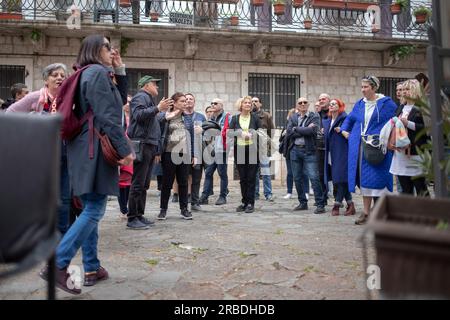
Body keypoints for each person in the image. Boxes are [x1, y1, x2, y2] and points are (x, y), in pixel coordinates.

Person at [41, 35, 134, 294]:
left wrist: (119, 69)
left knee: (89, 208)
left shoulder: (89, 73)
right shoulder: (96, 74)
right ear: (96, 50)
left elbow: (117, 101)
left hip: (82, 150)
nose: (111, 50)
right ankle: (57, 264)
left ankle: (92, 266)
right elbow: (109, 115)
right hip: (93, 149)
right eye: (107, 46)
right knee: (94, 208)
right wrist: (125, 149)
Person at [6, 64, 71, 235]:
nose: (59, 78)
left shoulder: (69, 98)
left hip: (65, 154)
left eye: (62, 75)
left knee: (64, 199)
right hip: (42, 156)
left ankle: (61, 237)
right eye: (54, 75)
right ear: (46, 79)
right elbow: (10, 113)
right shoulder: (35, 97)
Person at [341, 75, 397, 225]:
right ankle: (365, 213)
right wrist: (344, 130)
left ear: (374, 87)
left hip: (378, 147)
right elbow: (350, 118)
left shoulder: (387, 104)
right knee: (364, 181)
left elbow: (395, 121)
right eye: (361, 87)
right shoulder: (360, 104)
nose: (363, 90)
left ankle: (380, 213)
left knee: (379, 179)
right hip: (360, 145)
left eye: (365, 87)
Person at [126, 75, 172, 230]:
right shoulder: (140, 97)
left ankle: (139, 215)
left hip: (150, 145)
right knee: (138, 183)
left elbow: (151, 119)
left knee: (144, 183)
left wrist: (164, 115)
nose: (157, 87)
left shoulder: (147, 99)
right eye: (154, 84)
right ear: (146, 86)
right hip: (143, 144)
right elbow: (139, 116)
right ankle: (132, 217)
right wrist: (158, 108)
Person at [158, 92, 196, 220]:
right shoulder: (165, 116)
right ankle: (163, 210)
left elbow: (192, 137)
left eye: (186, 101)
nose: (185, 103)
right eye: (182, 101)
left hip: (184, 153)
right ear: (174, 103)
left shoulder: (188, 118)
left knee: (183, 182)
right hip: (169, 153)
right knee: (167, 182)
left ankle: (184, 209)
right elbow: (158, 130)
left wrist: (193, 154)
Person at [389, 79, 429, 197]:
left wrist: (408, 124)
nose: (404, 92)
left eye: (407, 89)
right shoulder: (401, 107)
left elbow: (428, 129)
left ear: (415, 91)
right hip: (400, 153)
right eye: (404, 89)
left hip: (415, 153)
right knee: (405, 189)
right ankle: (409, 213)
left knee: (421, 187)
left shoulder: (422, 108)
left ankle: (426, 213)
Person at [286, 97, 326, 214]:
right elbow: (289, 132)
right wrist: (304, 129)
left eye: (305, 102)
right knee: (297, 178)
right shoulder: (293, 117)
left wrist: (296, 129)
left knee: (314, 177)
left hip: (309, 151)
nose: (303, 104)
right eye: (300, 103)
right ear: (297, 105)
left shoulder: (314, 116)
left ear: (308, 105)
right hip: (295, 151)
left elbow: (312, 132)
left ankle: (320, 204)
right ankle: (302, 203)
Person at [228, 96, 262, 213]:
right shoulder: (235, 118)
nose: (248, 104)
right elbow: (229, 132)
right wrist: (240, 133)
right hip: (240, 150)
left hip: (253, 149)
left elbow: (262, 131)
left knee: (251, 177)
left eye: (249, 103)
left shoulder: (255, 118)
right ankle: (244, 201)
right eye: (246, 103)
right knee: (243, 178)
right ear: (241, 105)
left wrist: (253, 134)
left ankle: (250, 203)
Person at [323, 99, 356, 216]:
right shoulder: (327, 121)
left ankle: (336, 205)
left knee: (340, 179)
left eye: (334, 104)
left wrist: (342, 131)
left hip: (343, 153)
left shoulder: (345, 119)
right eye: (330, 104)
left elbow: (352, 135)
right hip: (331, 153)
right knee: (340, 179)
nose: (331, 105)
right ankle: (350, 204)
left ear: (340, 106)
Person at [199, 98, 231, 205]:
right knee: (208, 173)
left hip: (222, 150)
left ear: (221, 105)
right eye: (211, 103)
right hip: (212, 150)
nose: (213, 105)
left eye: (215, 103)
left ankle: (223, 196)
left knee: (222, 173)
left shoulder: (228, 117)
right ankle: (204, 196)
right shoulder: (212, 118)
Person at [184, 93, 206, 211]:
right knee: (183, 178)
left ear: (194, 102)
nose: (188, 101)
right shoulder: (180, 116)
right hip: (183, 153)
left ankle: (195, 202)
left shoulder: (201, 117)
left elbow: (207, 133)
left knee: (196, 179)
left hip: (197, 153)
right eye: (186, 99)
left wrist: (203, 130)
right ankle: (183, 203)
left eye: (191, 99)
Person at [251, 96, 275, 202]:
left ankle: (268, 194)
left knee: (265, 171)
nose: (253, 103)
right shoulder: (249, 116)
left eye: (256, 101)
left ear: (260, 104)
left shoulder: (266, 116)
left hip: (263, 148)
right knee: (254, 172)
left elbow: (271, 132)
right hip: (251, 148)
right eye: (252, 101)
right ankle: (255, 194)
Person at [118, 97, 133, 219]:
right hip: (120, 151)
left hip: (132, 151)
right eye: (126, 101)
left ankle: (127, 207)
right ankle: (123, 208)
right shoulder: (118, 117)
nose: (128, 104)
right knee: (120, 181)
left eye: (130, 102)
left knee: (129, 180)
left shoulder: (134, 118)